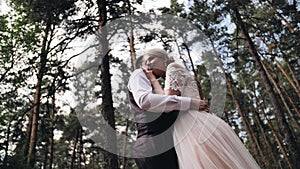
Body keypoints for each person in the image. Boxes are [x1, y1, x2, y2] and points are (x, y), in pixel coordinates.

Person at [143, 62, 261, 169]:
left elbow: (168, 102)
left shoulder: (171, 68)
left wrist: (152, 80)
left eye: (151, 65)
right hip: (205, 120)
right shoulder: (184, 72)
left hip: (190, 124)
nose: (150, 69)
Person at [127, 48, 209, 169]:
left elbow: (166, 104)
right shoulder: (138, 74)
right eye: (164, 61)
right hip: (152, 145)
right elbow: (145, 101)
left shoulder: (155, 81)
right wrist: (191, 103)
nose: (148, 63)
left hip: (168, 144)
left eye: (152, 58)